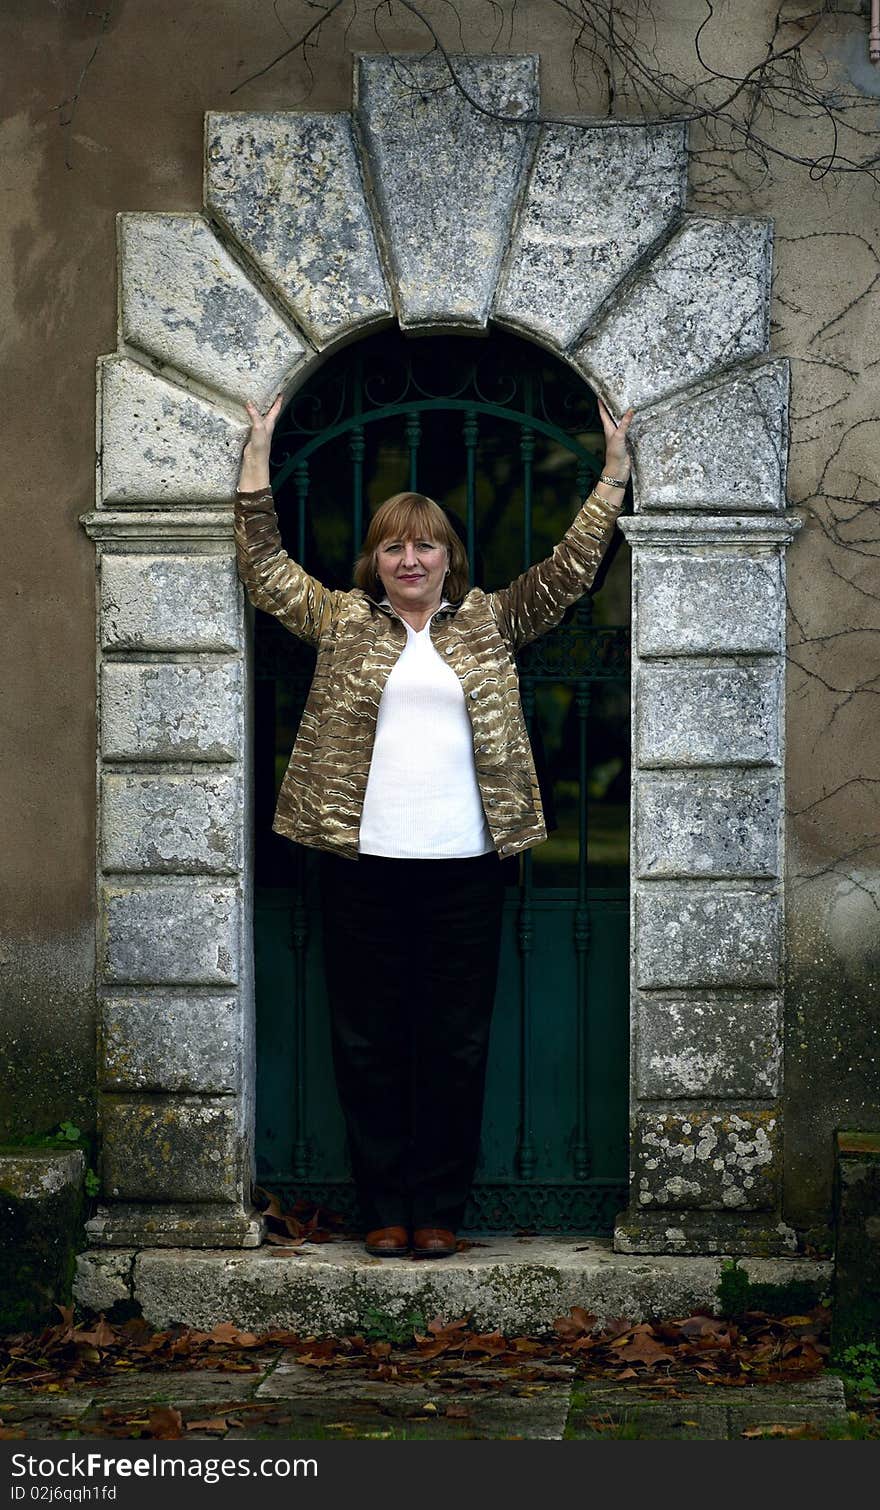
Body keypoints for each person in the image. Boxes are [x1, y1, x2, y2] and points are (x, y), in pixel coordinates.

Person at [234, 392, 634, 1259]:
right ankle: (384, 1207)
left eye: (424, 544)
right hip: (360, 862)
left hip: (465, 864)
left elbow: (568, 572)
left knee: (454, 1041)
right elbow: (265, 570)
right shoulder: (342, 621)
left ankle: (438, 1209)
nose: (408, 557)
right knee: (369, 1039)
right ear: (374, 560)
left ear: (450, 557)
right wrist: (258, 454)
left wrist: (612, 476)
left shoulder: (491, 620)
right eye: (392, 545)